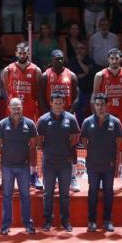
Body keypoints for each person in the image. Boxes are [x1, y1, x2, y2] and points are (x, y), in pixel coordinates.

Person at [92, 48, 122, 190]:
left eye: (117, 58)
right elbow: (95, 97)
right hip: (106, 115)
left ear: (121, 59)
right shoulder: (100, 75)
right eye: (112, 58)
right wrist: (96, 116)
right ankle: (100, 176)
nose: (114, 61)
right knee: (103, 147)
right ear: (108, 59)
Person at [1, 42, 43, 189]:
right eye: (20, 52)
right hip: (12, 113)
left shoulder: (36, 70)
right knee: (9, 144)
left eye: (25, 52)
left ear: (28, 53)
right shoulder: (8, 70)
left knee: (32, 146)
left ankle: (33, 174)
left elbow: (37, 93)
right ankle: (6, 176)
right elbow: (7, 90)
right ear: (16, 53)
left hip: (30, 112)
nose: (22, 55)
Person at [37, 92, 80, 232]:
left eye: (61, 102)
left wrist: (67, 150)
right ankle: (48, 221)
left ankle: (65, 221)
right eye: (56, 102)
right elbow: (39, 141)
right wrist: (48, 152)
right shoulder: (43, 120)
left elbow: (75, 137)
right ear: (51, 103)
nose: (58, 105)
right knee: (48, 193)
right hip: (49, 163)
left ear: (64, 103)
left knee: (65, 194)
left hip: (65, 163)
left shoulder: (71, 119)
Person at [0, 97, 37, 235]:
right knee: (7, 196)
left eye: (18, 108)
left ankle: (28, 224)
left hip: (24, 166)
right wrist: (7, 155)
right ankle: (5, 225)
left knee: (25, 196)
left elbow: (33, 145)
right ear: (9, 108)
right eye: (13, 108)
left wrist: (26, 159)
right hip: (7, 166)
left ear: (22, 108)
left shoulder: (30, 124)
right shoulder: (1, 124)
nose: (16, 110)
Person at [80, 93, 122, 232]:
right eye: (97, 105)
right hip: (93, 165)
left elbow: (119, 143)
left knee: (108, 193)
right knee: (92, 192)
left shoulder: (115, 122)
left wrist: (117, 164)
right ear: (94, 106)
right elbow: (84, 142)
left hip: (109, 165)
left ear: (107, 105)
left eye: (103, 104)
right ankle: (91, 221)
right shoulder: (87, 122)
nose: (100, 107)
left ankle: (107, 220)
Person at [40, 49, 80, 192]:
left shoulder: (72, 75)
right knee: (50, 145)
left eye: (62, 58)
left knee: (72, 146)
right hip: (51, 116)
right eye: (57, 59)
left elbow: (76, 96)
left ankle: (73, 176)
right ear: (51, 60)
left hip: (68, 114)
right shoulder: (45, 76)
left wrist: (69, 113)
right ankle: (49, 177)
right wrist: (48, 115)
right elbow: (41, 97)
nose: (60, 61)